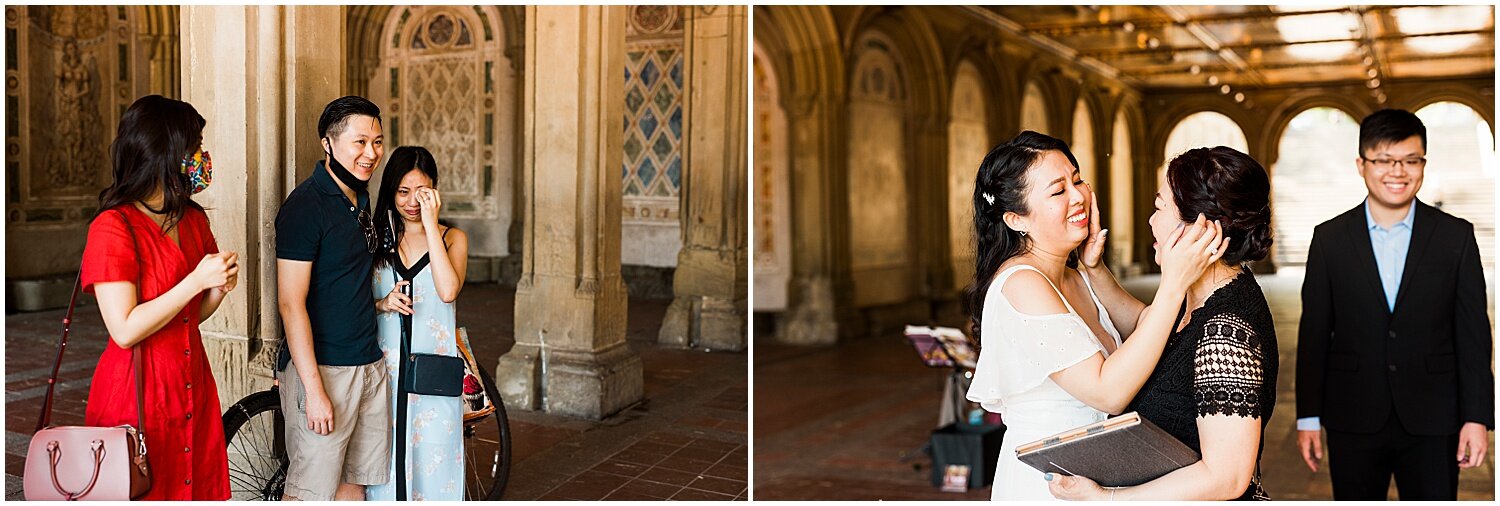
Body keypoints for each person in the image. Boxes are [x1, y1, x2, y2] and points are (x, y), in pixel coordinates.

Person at [964, 131, 1226, 500]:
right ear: (1015, 218)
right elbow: (1109, 393)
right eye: (1058, 192)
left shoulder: (1073, 275)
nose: (1079, 196)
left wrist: (1096, 270)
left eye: (1077, 179)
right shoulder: (1022, 284)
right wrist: (1174, 285)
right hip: (1052, 486)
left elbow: (1147, 327)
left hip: (1096, 478)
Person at [1049, 146, 1280, 500]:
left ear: (1201, 225)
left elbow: (1227, 477)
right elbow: (1150, 326)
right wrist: (1095, 269)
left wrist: (1107, 499)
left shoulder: (1225, 332)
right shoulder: (1201, 292)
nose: (1151, 220)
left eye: (1159, 208)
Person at [1294, 108, 1493, 500]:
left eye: (1410, 160)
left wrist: (1476, 417)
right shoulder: (1330, 240)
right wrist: (1308, 416)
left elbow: (1474, 337)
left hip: (1435, 417)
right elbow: (1314, 333)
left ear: (1423, 163)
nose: (1397, 171)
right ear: (1362, 164)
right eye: (1384, 160)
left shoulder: (1456, 237)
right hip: (1353, 414)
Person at [81, 94, 236, 500]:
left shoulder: (192, 217)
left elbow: (189, 316)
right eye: (194, 148)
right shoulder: (113, 227)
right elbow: (125, 329)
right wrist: (195, 281)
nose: (202, 157)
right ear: (165, 153)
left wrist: (217, 289)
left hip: (191, 385)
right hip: (137, 393)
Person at [274, 96, 391, 501]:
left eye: (377, 142)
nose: (371, 153)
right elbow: (291, 303)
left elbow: (343, 281)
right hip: (325, 370)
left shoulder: (359, 198)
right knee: (310, 493)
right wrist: (314, 391)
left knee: (354, 481)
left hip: (367, 362)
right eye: (359, 142)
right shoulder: (305, 207)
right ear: (328, 143)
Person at [365, 146, 470, 500]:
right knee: (384, 467)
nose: (412, 201)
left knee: (435, 465)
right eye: (403, 192)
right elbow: (354, 300)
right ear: (391, 191)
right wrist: (383, 303)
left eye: (421, 192)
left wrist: (429, 224)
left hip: (433, 372)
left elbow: (448, 290)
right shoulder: (375, 239)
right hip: (385, 372)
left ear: (435, 191)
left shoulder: (452, 238)